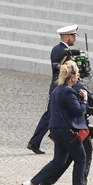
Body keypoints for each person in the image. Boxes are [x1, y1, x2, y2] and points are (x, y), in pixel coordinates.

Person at [21, 61, 93, 185]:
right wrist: (84, 99)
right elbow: (78, 110)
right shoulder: (68, 91)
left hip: (56, 129)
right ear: (72, 77)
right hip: (67, 131)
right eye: (77, 75)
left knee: (59, 160)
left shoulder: (56, 90)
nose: (78, 77)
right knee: (80, 158)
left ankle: (32, 184)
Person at [28, 24, 78, 154]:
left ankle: (39, 141)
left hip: (56, 86)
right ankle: (35, 142)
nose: (75, 39)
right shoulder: (65, 52)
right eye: (73, 36)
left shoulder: (56, 49)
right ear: (67, 37)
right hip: (60, 86)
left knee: (53, 115)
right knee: (53, 115)